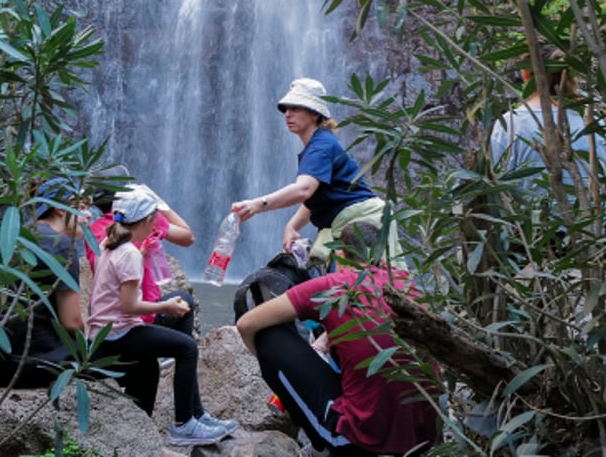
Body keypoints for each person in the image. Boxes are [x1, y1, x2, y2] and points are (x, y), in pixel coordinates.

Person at [236, 221, 442, 456]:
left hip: (360, 441)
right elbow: (375, 322)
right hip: (422, 439)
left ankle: (320, 443)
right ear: (381, 255)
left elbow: (247, 323)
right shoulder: (404, 283)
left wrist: (270, 363)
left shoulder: (334, 286)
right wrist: (326, 338)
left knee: (267, 334)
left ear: (340, 254)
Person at [85, 187, 237, 446]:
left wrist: (143, 255)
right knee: (187, 348)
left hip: (103, 331)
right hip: (119, 334)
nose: (158, 225)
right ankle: (184, 425)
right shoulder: (129, 254)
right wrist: (165, 308)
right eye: (155, 220)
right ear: (146, 221)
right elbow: (130, 306)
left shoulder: (110, 242)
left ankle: (145, 434)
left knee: (149, 367)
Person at [232, 77, 400, 265]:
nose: (287, 114)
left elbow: (304, 190)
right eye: (285, 109)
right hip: (355, 222)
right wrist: (292, 226)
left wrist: (258, 205)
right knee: (359, 287)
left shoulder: (320, 146)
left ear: (315, 114)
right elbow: (319, 196)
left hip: (363, 225)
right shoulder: (322, 142)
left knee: (369, 286)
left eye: (295, 108)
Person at [0, 177, 85, 388]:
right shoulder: (61, 245)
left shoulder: (14, 235)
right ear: (61, 210)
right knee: (114, 354)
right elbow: (72, 323)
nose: (86, 216)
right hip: (29, 362)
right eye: (79, 207)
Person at [489, 43, 606, 211]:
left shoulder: (510, 124)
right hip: (594, 227)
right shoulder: (592, 120)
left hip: (535, 229)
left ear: (525, 73)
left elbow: (497, 182)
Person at [86, 183, 197, 341]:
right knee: (187, 339)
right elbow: (187, 237)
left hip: (103, 320)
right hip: (140, 317)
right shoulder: (144, 220)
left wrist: (143, 253)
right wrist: (157, 201)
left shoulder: (95, 231)